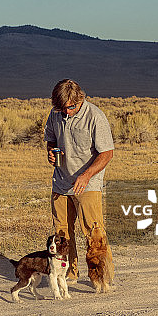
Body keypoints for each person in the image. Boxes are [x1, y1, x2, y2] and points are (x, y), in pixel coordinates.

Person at [44, 79, 114, 283]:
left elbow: (107, 153)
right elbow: (51, 140)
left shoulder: (95, 116)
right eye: (62, 108)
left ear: (80, 99)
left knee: (94, 232)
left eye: (71, 107)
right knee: (62, 233)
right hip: (61, 182)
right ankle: (68, 274)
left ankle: (102, 278)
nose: (67, 112)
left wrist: (86, 175)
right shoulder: (56, 113)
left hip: (88, 183)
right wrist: (50, 152)